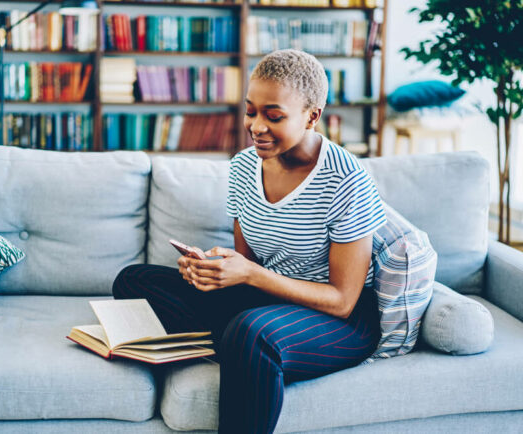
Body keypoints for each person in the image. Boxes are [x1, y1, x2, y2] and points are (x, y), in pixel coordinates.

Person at [112, 49, 387, 434]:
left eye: (273, 116)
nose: (256, 126)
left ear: (312, 116)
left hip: (340, 320)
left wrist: (251, 275)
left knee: (251, 332)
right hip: (269, 303)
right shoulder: (243, 167)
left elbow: (343, 300)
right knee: (133, 281)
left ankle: (244, 349)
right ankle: (242, 351)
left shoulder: (346, 180)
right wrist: (212, 271)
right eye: (251, 111)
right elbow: (248, 262)